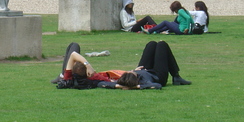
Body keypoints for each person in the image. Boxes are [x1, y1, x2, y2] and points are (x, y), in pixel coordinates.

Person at [54, 40, 190, 89]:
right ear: (87, 73)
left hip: (134, 73)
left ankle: (177, 77)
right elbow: (118, 85)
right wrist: (135, 83)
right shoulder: (95, 82)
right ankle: (176, 76)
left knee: (151, 44)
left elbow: (73, 54)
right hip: (154, 76)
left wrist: (132, 71)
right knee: (161, 45)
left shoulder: (72, 78)